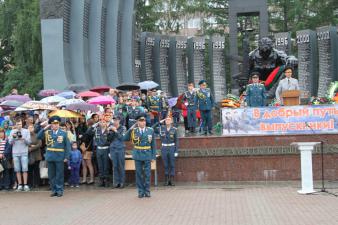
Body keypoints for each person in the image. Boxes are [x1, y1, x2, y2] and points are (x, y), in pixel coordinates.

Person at [123, 114, 156, 198]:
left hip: (147, 154)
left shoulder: (150, 130)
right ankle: (140, 191)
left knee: (147, 174)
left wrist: (153, 156)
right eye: (141, 121)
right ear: (137, 122)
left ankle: (147, 191)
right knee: (139, 174)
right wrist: (130, 128)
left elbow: (153, 144)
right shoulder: (134, 130)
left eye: (144, 121)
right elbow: (124, 138)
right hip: (137, 153)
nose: (143, 123)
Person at [37, 116, 71, 197]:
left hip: (60, 156)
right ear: (51, 125)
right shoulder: (47, 132)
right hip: (50, 156)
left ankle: (59, 190)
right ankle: (53, 190)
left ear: (58, 124)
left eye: (56, 124)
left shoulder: (63, 133)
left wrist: (66, 157)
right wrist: (45, 127)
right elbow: (38, 136)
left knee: (59, 174)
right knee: (51, 174)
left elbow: (67, 146)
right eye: (53, 124)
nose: (55, 125)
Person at [86, 117, 111, 187]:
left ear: (106, 123)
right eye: (101, 122)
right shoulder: (97, 130)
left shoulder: (109, 130)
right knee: (100, 165)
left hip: (106, 149)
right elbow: (88, 132)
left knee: (106, 165)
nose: (102, 123)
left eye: (104, 122)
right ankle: (101, 180)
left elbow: (110, 140)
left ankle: (106, 180)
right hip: (99, 149)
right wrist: (95, 124)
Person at [8, 119, 31, 191]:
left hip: (24, 152)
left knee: (25, 169)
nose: (19, 126)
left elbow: (29, 142)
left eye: (20, 124)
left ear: (22, 124)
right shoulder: (12, 131)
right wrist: (14, 138)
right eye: (18, 124)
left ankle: (25, 185)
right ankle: (20, 185)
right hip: (15, 153)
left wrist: (23, 139)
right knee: (17, 170)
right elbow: (10, 142)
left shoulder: (26, 131)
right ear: (15, 125)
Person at [155, 116, 178, 186]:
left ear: (171, 121)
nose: (167, 121)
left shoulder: (174, 129)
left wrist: (176, 151)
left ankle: (171, 179)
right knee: (165, 165)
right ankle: (166, 179)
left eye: (169, 120)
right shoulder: (161, 128)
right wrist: (159, 122)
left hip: (171, 147)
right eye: (166, 120)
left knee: (172, 164)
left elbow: (176, 141)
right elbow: (152, 127)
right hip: (164, 148)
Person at [108, 116, 126, 188]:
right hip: (113, 148)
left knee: (120, 166)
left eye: (116, 120)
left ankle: (122, 182)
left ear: (119, 120)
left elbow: (122, 138)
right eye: (114, 120)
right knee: (115, 166)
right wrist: (108, 131)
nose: (115, 121)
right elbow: (109, 139)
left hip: (120, 148)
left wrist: (115, 131)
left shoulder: (123, 128)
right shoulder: (111, 128)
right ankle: (116, 182)